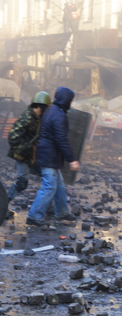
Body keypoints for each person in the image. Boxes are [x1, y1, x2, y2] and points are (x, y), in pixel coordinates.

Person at [26, 87, 80, 226]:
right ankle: (34, 216)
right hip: (49, 156)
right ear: (66, 100)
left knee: (59, 185)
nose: (71, 104)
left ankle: (62, 212)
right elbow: (61, 139)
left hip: (48, 155)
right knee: (49, 187)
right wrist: (71, 160)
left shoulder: (52, 110)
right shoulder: (59, 115)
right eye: (70, 101)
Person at [4, 92, 52, 221]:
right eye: (46, 107)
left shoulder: (38, 118)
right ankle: (3, 203)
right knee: (22, 183)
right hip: (23, 156)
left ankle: (49, 208)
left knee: (49, 179)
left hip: (32, 155)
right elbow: (13, 137)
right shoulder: (27, 117)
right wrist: (28, 148)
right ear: (40, 106)